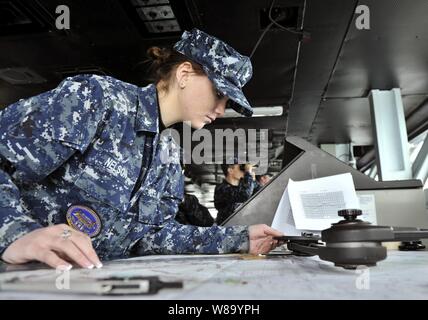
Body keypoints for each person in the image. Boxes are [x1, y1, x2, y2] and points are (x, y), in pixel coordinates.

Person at [0, 28, 282, 269]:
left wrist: (240, 238)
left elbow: (153, 237)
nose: (221, 110)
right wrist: (15, 232)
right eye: (219, 94)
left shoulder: (169, 156)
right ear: (184, 74)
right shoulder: (98, 100)